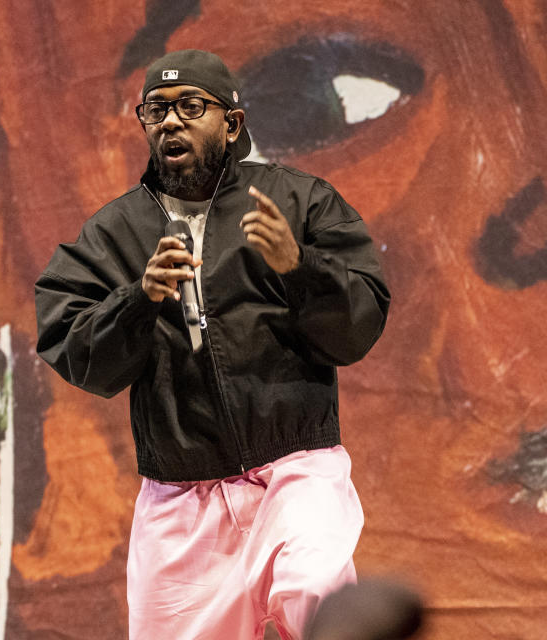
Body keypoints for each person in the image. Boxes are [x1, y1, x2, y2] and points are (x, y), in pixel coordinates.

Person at [34, 49, 390, 639]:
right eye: (156, 111)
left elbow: (360, 323)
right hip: (181, 497)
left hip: (296, 472)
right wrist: (138, 299)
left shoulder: (297, 203)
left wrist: (298, 267)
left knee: (316, 593)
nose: (170, 122)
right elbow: (76, 351)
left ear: (231, 122)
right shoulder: (111, 234)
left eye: (190, 107)